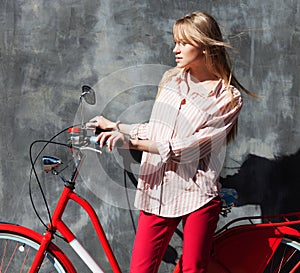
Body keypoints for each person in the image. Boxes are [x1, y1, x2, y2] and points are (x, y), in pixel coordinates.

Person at [87, 11, 255, 273]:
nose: (175, 49)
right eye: (175, 41)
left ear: (204, 45)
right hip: (157, 190)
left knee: (192, 269)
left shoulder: (228, 97)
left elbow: (192, 146)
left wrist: (131, 142)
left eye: (183, 43)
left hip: (197, 194)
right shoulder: (171, 79)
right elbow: (159, 130)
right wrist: (117, 126)